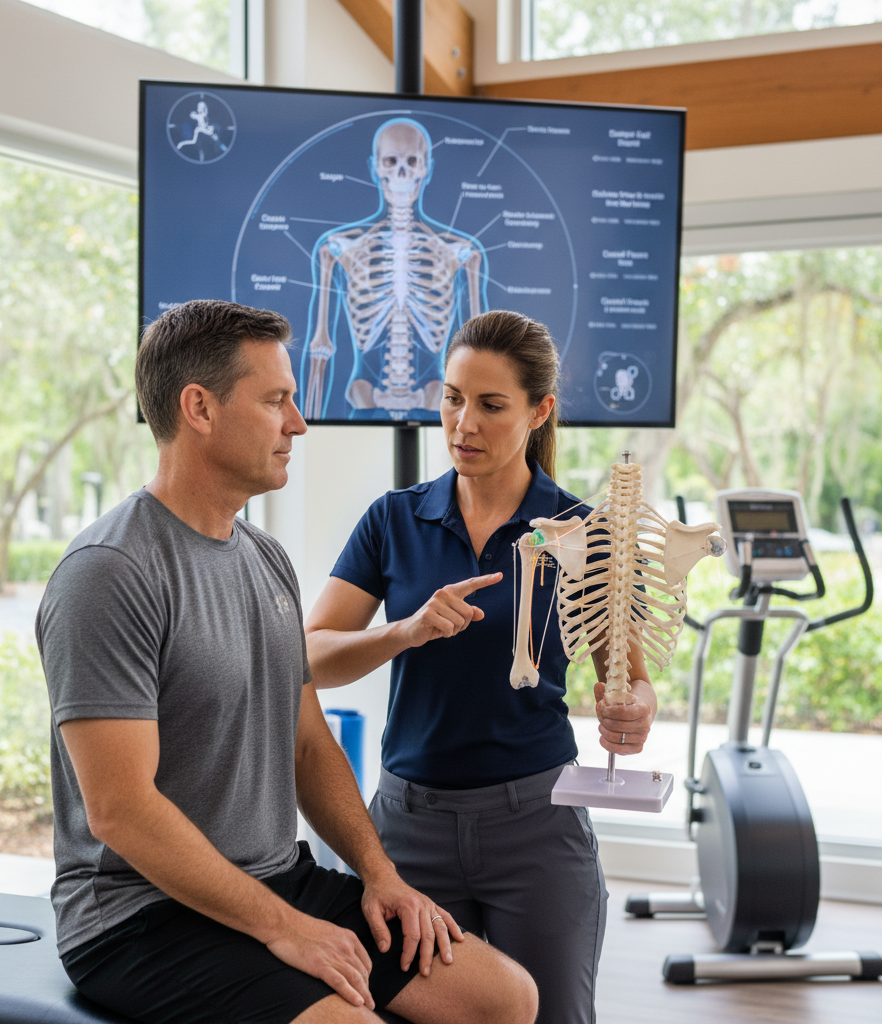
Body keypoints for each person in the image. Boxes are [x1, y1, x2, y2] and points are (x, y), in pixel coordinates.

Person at [35, 299, 538, 1024]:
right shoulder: (109, 573)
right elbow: (120, 810)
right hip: (139, 918)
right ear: (199, 409)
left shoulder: (265, 559)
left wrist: (378, 874)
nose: (298, 423)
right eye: (277, 400)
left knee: (503, 997)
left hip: (275, 879)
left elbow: (305, 743)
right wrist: (285, 929)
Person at [305, 309, 658, 1024]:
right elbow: (311, 658)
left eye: (491, 405)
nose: (464, 422)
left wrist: (637, 710)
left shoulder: (587, 531)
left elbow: (633, 678)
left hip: (537, 827)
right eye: (452, 398)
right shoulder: (393, 520)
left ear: (540, 411)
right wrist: (403, 631)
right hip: (407, 830)